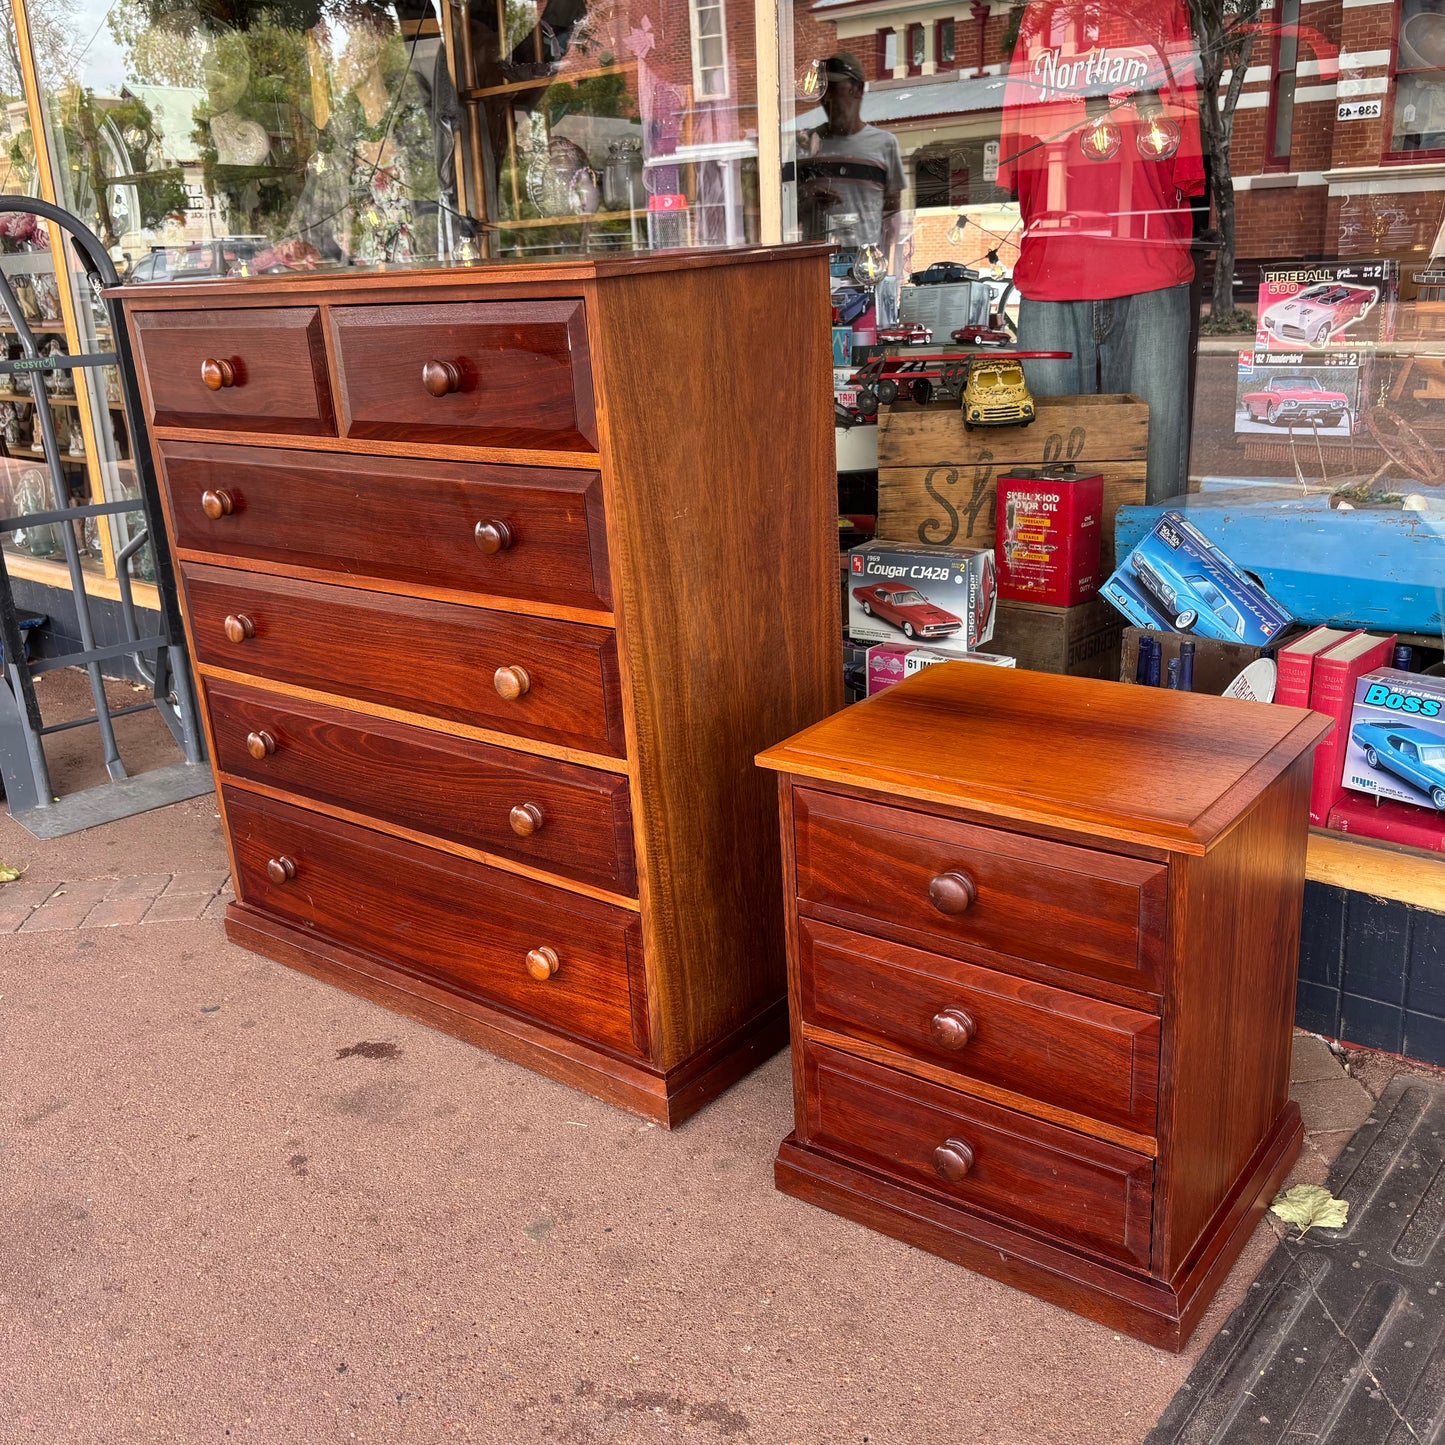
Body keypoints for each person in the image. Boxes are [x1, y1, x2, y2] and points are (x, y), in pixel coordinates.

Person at [796, 53, 905, 263]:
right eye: (822, 89)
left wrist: (887, 266)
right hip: (817, 266)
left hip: (868, 265)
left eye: (834, 89)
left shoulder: (884, 144)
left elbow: (893, 215)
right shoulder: (805, 145)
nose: (826, 98)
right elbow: (785, 216)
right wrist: (808, 198)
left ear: (857, 89)